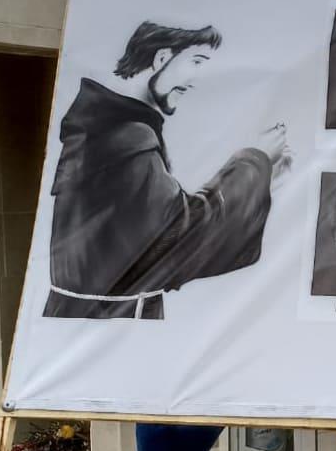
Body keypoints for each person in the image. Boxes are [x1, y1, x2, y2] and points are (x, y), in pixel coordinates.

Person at [42, 20, 290, 321]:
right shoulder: (125, 136)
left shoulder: (103, 128)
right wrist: (255, 161)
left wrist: (262, 180)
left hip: (89, 318)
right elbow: (179, 238)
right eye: (197, 61)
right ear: (161, 58)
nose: (198, 79)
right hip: (114, 324)